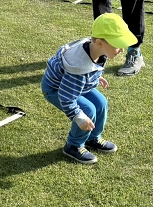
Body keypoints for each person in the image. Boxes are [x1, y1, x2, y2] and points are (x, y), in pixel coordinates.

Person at [42, 13, 137, 164]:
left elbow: (89, 68)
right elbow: (66, 97)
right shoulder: (78, 66)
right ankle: (73, 145)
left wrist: (95, 76)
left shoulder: (97, 49)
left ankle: (92, 138)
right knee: (88, 111)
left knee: (101, 103)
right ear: (100, 42)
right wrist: (80, 117)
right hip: (57, 89)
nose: (122, 49)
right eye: (117, 44)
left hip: (75, 83)